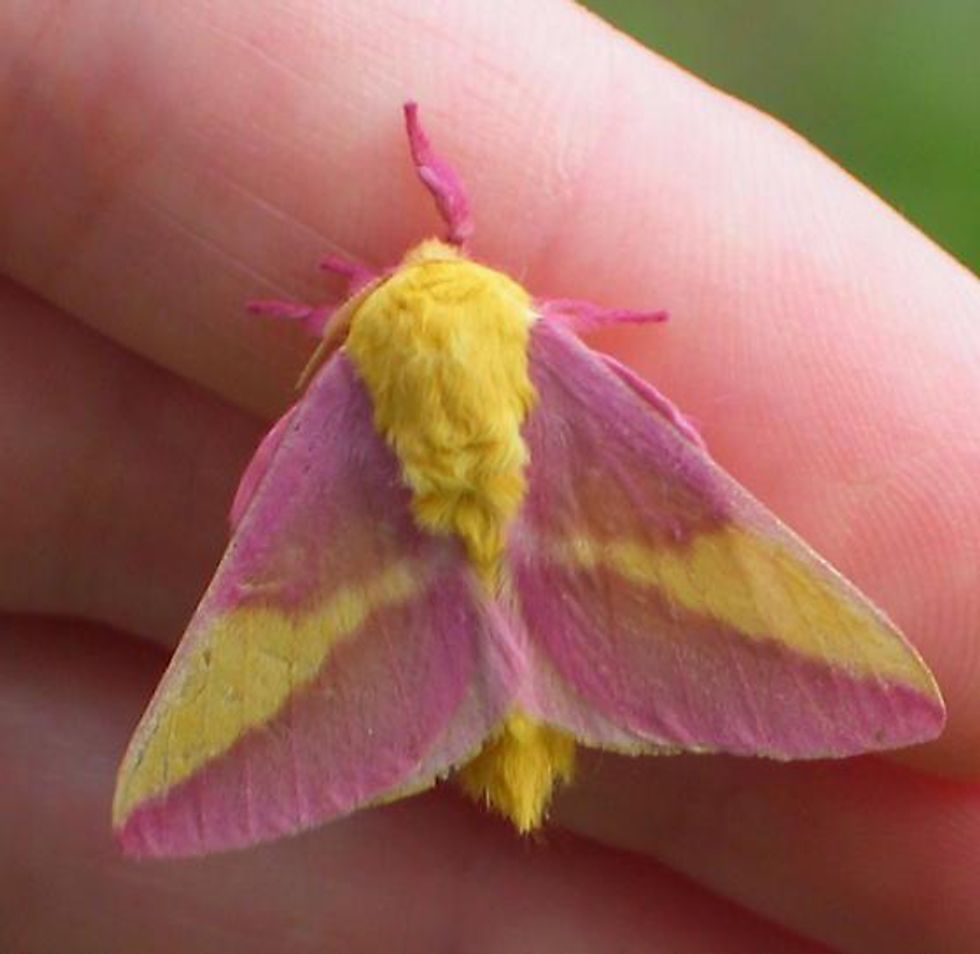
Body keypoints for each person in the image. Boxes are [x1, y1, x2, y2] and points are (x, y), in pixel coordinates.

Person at [2, 2, 977, 952]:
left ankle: (474, 695)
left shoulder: (341, 393)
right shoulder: (537, 345)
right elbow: (654, 410)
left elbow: (268, 467)